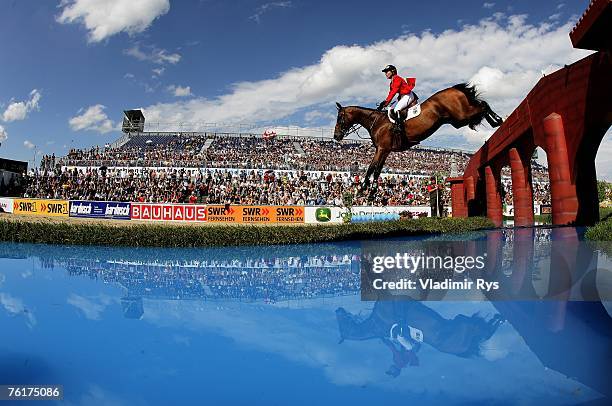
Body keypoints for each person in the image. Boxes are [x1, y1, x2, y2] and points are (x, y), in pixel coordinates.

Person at [377, 65, 416, 134]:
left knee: (396, 109)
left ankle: (400, 128)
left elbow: (393, 91)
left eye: (387, 72)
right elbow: (390, 93)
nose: (385, 74)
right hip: (402, 96)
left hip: (408, 95)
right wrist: (384, 105)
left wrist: (386, 102)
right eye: (385, 72)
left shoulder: (397, 78)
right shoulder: (391, 82)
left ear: (393, 71)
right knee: (390, 109)